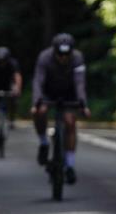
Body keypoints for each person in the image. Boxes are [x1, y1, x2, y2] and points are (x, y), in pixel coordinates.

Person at [31, 33, 90, 184]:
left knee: (70, 122)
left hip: (69, 93)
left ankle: (69, 165)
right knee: (40, 111)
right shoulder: (44, 57)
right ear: (54, 51)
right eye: (60, 55)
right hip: (48, 92)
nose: (63, 58)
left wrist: (83, 103)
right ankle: (44, 143)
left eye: (67, 55)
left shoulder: (77, 58)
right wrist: (36, 101)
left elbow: (79, 83)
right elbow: (38, 80)